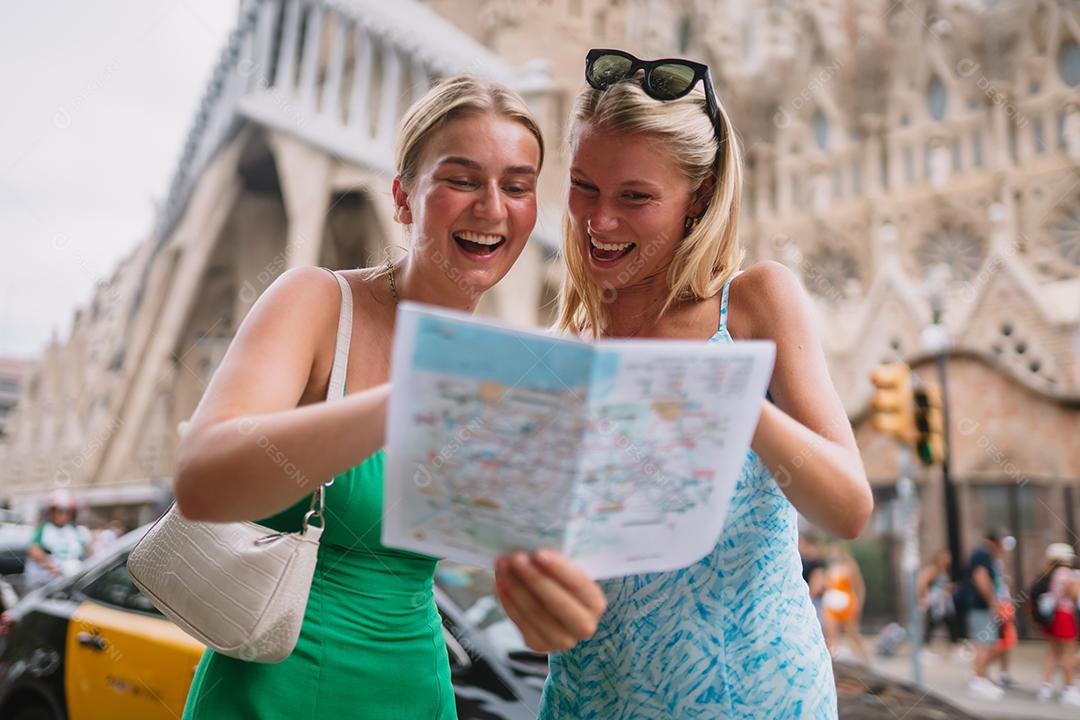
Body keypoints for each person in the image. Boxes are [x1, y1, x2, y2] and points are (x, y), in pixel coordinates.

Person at [174, 75, 606, 719]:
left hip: (414, 692)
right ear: (404, 198)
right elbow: (202, 479)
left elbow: (515, 558)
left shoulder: (506, 371)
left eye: (516, 187)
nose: (492, 207)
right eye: (461, 179)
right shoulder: (318, 303)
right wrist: (418, 395)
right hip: (272, 693)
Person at [497, 48, 872, 718]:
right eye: (584, 187)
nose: (599, 221)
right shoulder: (564, 354)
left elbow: (846, 506)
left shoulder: (755, 304)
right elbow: (545, 586)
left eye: (635, 197)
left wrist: (726, 393)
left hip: (752, 701)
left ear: (697, 196)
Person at [963, 530, 1006, 700]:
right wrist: (992, 602)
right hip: (980, 606)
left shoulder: (985, 555)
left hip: (981, 606)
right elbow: (981, 577)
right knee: (983, 644)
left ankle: (980, 677)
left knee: (989, 644)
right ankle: (977, 679)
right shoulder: (983, 554)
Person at [1036, 542, 1080, 705]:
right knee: (1068, 653)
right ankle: (1069, 688)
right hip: (1065, 615)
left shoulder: (1051, 573)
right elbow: (1073, 595)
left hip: (1055, 616)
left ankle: (1045, 687)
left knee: (1053, 653)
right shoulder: (1067, 573)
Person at [24, 489, 90, 590]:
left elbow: (88, 550)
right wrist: (50, 565)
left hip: (73, 577)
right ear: (51, 512)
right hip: (48, 581)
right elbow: (33, 549)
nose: (64, 515)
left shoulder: (76, 530)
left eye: (68, 511)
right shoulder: (43, 528)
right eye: (60, 511)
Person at [822, 544, 870, 664]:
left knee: (852, 634)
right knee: (832, 635)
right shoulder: (831, 569)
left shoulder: (850, 568)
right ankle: (833, 663)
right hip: (833, 604)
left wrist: (859, 604)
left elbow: (859, 587)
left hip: (847, 603)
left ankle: (865, 660)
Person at [917, 549, 959, 650]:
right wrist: (924, 598)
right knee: (931, 624)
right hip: (935, 603)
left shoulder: (944, 571)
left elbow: (942, 586)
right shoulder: (932, 570)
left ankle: (954, 645)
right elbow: (922, 583)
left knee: (950, 622)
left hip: (944, 602)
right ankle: (924, 647)